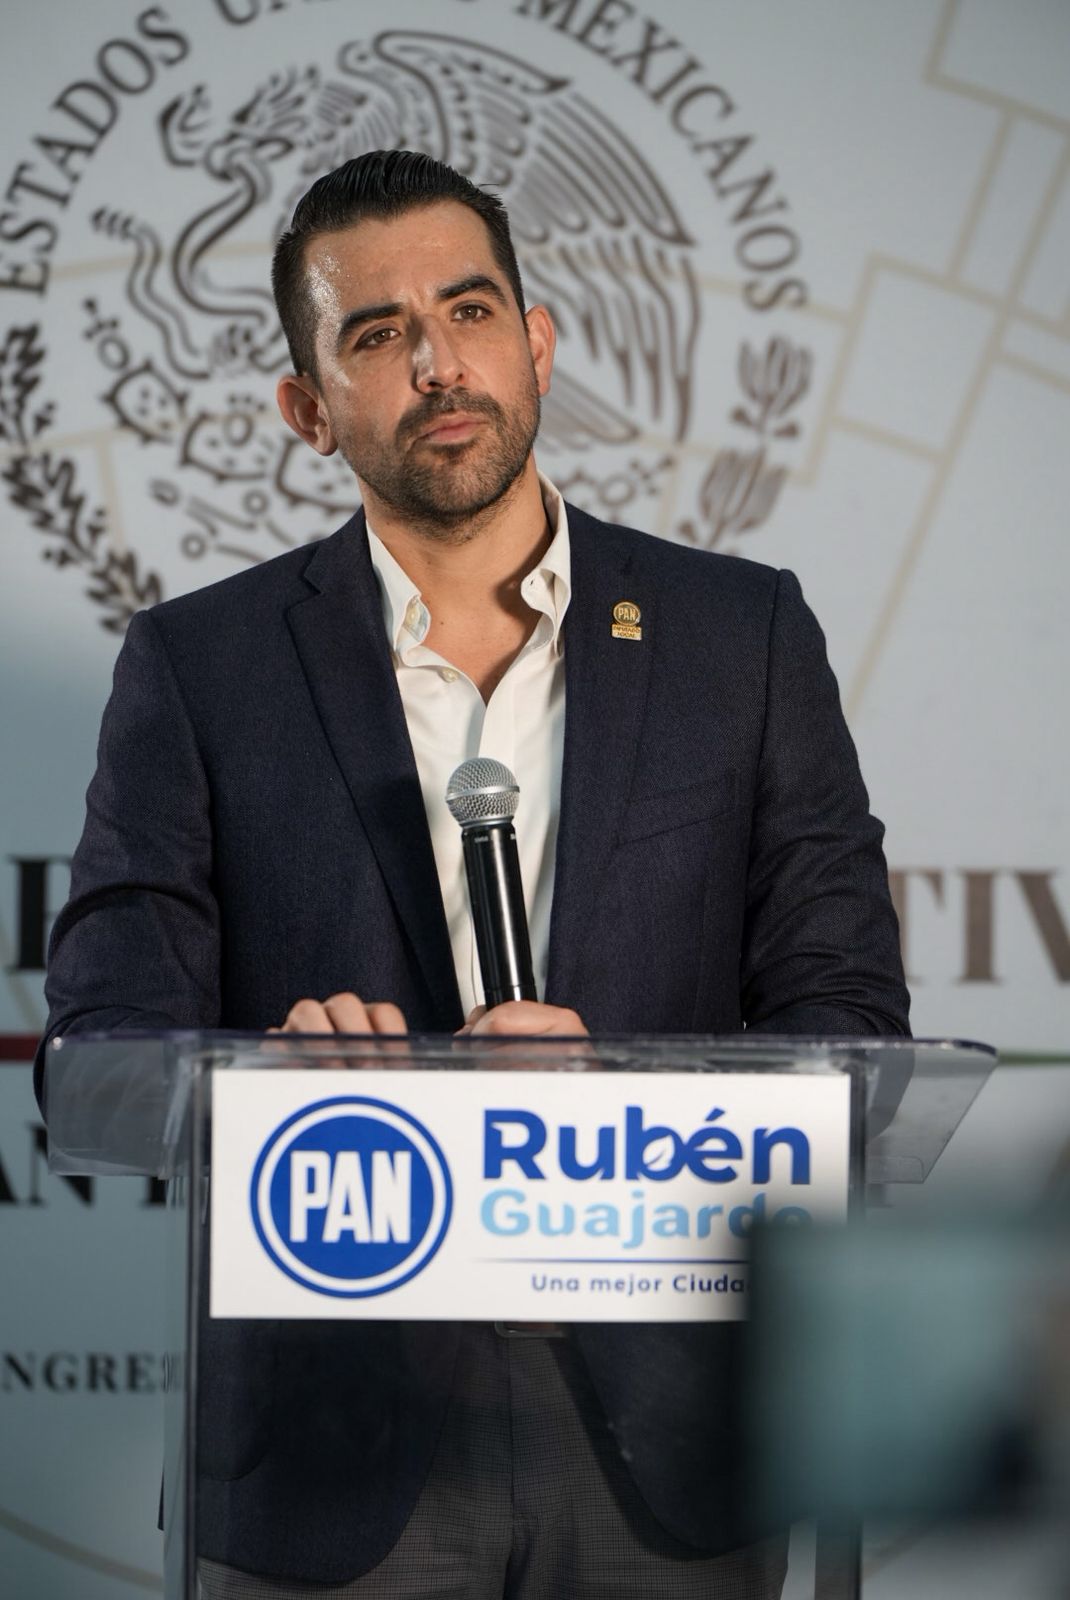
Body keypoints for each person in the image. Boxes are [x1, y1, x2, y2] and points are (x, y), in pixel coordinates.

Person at [39, 150, 910, 1598]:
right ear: (309, 408)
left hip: (669, 1439)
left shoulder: (740, 638)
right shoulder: (201, 667)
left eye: (470, 310)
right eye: (379, 334)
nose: (438, 363)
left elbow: (852, 1029)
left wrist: (619, 1098)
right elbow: (100, 1061)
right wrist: (271, 1085)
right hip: (335, 1438)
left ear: (538, 341)